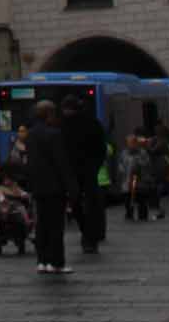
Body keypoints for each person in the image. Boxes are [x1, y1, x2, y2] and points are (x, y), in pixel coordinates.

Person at [23, 101, 78, 276]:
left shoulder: (31, 135)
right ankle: (56, 262)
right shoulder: (54, 134)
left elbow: (30, 163)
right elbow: (61, 163)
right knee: (55, 226)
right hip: (55, 187)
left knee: (42, 224)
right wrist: (71, 186)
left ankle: (42, 261)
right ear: (49, 115)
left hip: (38, 187)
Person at [60, 97, 107, 254]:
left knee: (78, 204)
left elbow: (100, 148)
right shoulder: (92, 123)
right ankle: (90, 236)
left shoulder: (66, 125)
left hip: (78, 171)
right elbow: (101, 148)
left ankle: (88, 235)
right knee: (87, 204)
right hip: (85, 171)